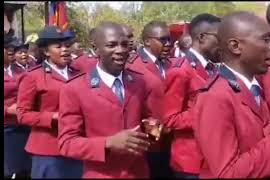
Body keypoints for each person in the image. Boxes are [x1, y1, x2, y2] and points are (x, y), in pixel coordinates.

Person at [193, 11, 270, 178]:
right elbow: (228, 174)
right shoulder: (215, 97)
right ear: (235, 46)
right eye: (265, 39)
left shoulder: (253, 88)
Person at [58, 21, 159, 178]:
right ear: (96, 49)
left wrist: (154, 129)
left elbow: (149, 120)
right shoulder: (74, 89)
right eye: (111, 45)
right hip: (101, 174)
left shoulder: (140, 82)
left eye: (124, 44)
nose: (120, 50)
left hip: (138, 173)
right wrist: (108, 143)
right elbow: (67, 144)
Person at [16, 26, 83, 179]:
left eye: (67, 45)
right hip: (49, 149)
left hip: (77, 145)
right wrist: (53, 117)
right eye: (58, 46)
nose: (65, 50)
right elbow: (22, 114)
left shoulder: (79, 73)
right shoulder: (33, 77)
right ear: (46, 51)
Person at [163, 13, 221, 178]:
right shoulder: (180, 71)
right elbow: (169, 119)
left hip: (212, 158)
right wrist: (206, 114)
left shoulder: (214, 68)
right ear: (202, 37)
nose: (223, 43)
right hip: (190, 163)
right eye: (219, 37)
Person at [126, 20, 176, 178]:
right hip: (148, 145)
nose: (169, 44)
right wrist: (155, 132)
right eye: (163, 40)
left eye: (170, 39)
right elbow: (132, 106)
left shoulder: (170, 64)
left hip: (171, 142)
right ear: (147, 41)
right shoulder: (133, 66)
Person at [4, 33, 32, 179]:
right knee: (9, 172)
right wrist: (8, 110)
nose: (10, 50)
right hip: (7, 128)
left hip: (24, 126)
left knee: (25, 169)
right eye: (6, 47)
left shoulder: (19, 70)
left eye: (11, 47)